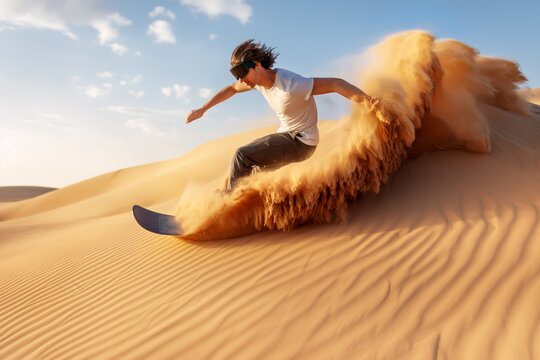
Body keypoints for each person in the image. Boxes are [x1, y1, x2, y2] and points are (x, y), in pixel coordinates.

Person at [186, 39, 376, 192]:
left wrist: (371, 103)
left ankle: (226, 201)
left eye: (243, 73)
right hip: (287, 136)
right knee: (254, 174)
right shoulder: (257, 82)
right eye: (236, 75)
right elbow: (231, 89)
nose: (240, 79)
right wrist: (203, 109)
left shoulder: (292, 85)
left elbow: (337, 84)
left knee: (241, 155)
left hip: (300, 142)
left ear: (258, 65)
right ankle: (242, 206)